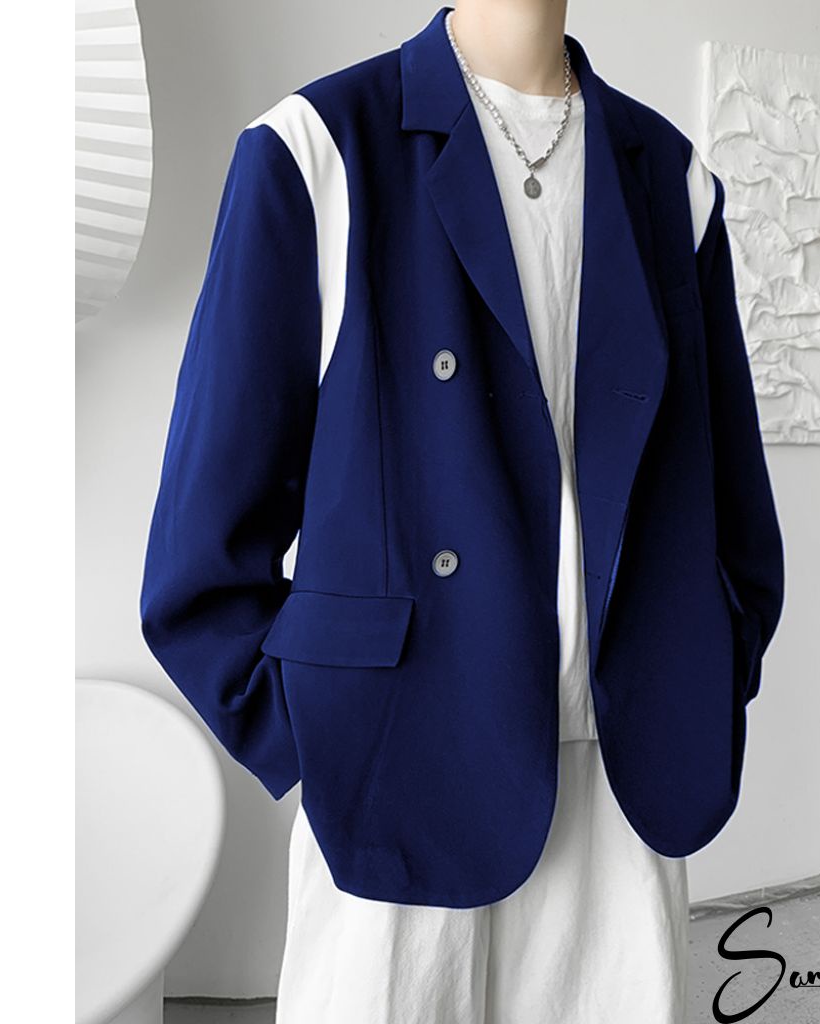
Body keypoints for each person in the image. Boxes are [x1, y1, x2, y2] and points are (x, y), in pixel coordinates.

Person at [140, 3, 785, 1021]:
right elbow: (199, 559)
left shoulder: (671, 178)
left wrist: (697, 675)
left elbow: (734, 515)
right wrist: (330, 742)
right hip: (397, 770)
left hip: (621, 786)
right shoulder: (318, 150)